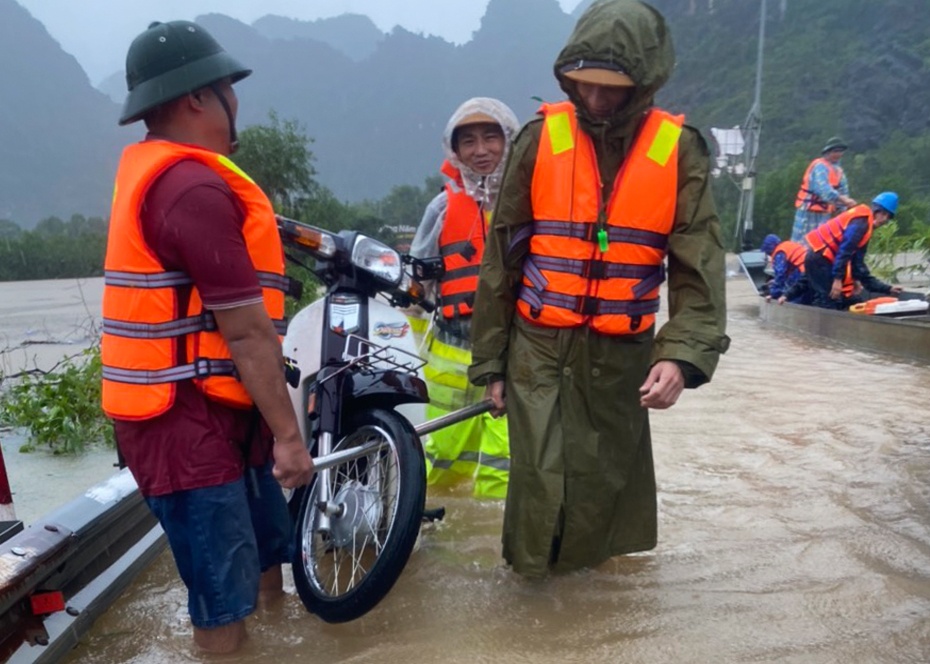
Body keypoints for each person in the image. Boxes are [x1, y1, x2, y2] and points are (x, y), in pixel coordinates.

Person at [467, 0, 730, 578]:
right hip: (537, 347)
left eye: (613, 87)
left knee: (601, 485)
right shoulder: (541, 138)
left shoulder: (678, 149)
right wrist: (490, 362)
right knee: (539, 480)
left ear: (645, 81)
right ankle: (533, 606)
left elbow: (698, 269)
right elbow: (502, 259)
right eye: (586, 85)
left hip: (621, 357)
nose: (598, 99)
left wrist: (682, 358)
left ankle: (589, 614)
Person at [101, 21, 313, 653]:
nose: (234, 101)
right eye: (228, 87)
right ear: (198, 97)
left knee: (266, 554)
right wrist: (290, 437)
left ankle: (272, 644)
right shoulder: (190, 188)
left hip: (219, 407)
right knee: (221, 595)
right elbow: (247, 333)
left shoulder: (179, 177)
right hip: (181, 423)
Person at [410, 98, 519, 499]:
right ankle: (437, 536)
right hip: (451, 360)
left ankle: (492, 546)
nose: (480, 150)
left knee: (504, 464)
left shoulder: (531, 203)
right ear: (453, 150)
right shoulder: (441, 208)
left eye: (492, 137)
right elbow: (416, 288)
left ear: (510, 141)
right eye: (468, 141)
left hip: (516, 355)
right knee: (441, 462)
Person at [803, 191, 904, 310]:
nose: (884, 219)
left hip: (823, 260)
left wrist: (886, 288)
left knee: (837, 298)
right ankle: (819, 325)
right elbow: (845, 249)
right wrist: (837, 279)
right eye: (882, 214)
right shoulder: (861, 223)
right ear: (875, 210)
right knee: (829, 299)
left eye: (888, 217)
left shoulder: (866, 228)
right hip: (818, 259)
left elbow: (858, 264)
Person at [790, 136, 857, 241]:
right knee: (803, 243)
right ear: (828, 152)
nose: (838, 154)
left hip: (825, 214)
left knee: (820, 242)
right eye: (835, 151)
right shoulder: (819, 166)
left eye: (840, 151)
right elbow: (823, 190)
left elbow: (844, 192)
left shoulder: (839, 171)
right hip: (808, 212)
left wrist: (846, 207)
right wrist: (843, 199)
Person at [760, 233, 810, 304]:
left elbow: (780, 275)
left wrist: (772, 293)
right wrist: (775, 281)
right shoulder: (786, 245)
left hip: (802, 271)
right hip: (810, 269)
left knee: (794, 298)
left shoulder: (779, 253)